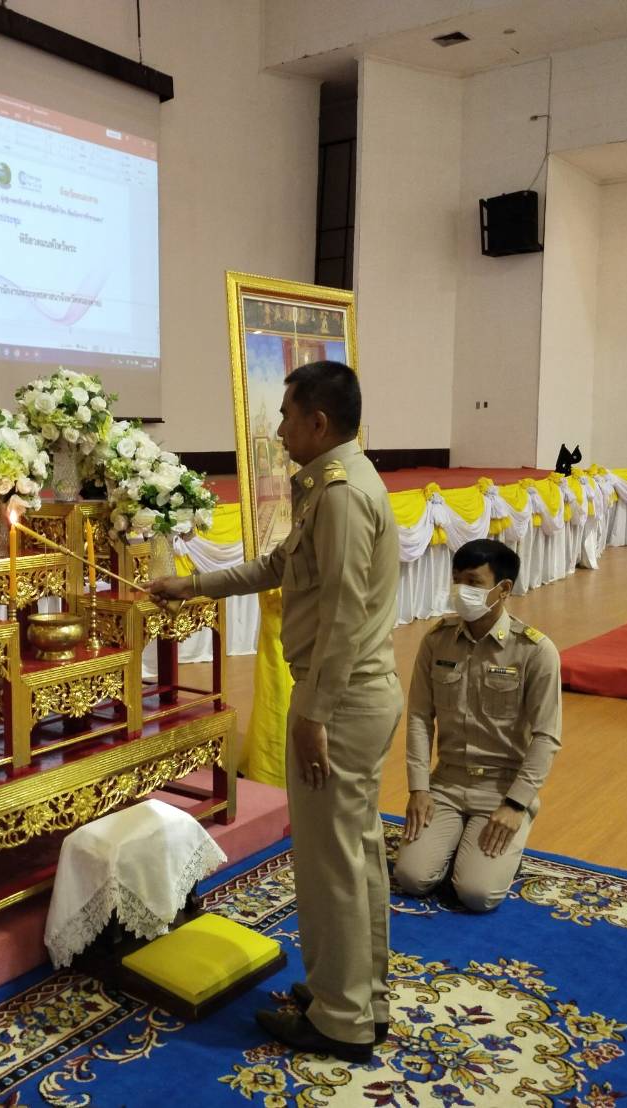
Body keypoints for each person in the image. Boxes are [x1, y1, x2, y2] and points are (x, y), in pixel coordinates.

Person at [149, 361, 401, 1063]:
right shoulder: (331, 484)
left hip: (341, 702)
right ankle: (349, 995)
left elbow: (346, 617)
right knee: (351, 857)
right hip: (346, 696)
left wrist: (312, 714)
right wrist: (188, 586)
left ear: (318, 422)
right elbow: (278, 567)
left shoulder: (343, 496)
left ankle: (342, 1020)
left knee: (333, 866)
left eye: (287, 415)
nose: (279, 428)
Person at [394, 539, 562, 912]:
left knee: (477, 894)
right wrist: (419, 788)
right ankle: (455, 841)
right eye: (457, 580)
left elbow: (546, 736)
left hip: (501, 789)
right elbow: (421, 718)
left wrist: (516, 804)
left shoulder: (534, 650)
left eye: (473, 582)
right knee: (412, 878)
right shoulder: (437, 641)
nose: (461, 591)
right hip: (447, 783)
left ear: (503, 589)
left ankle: (504, 837)